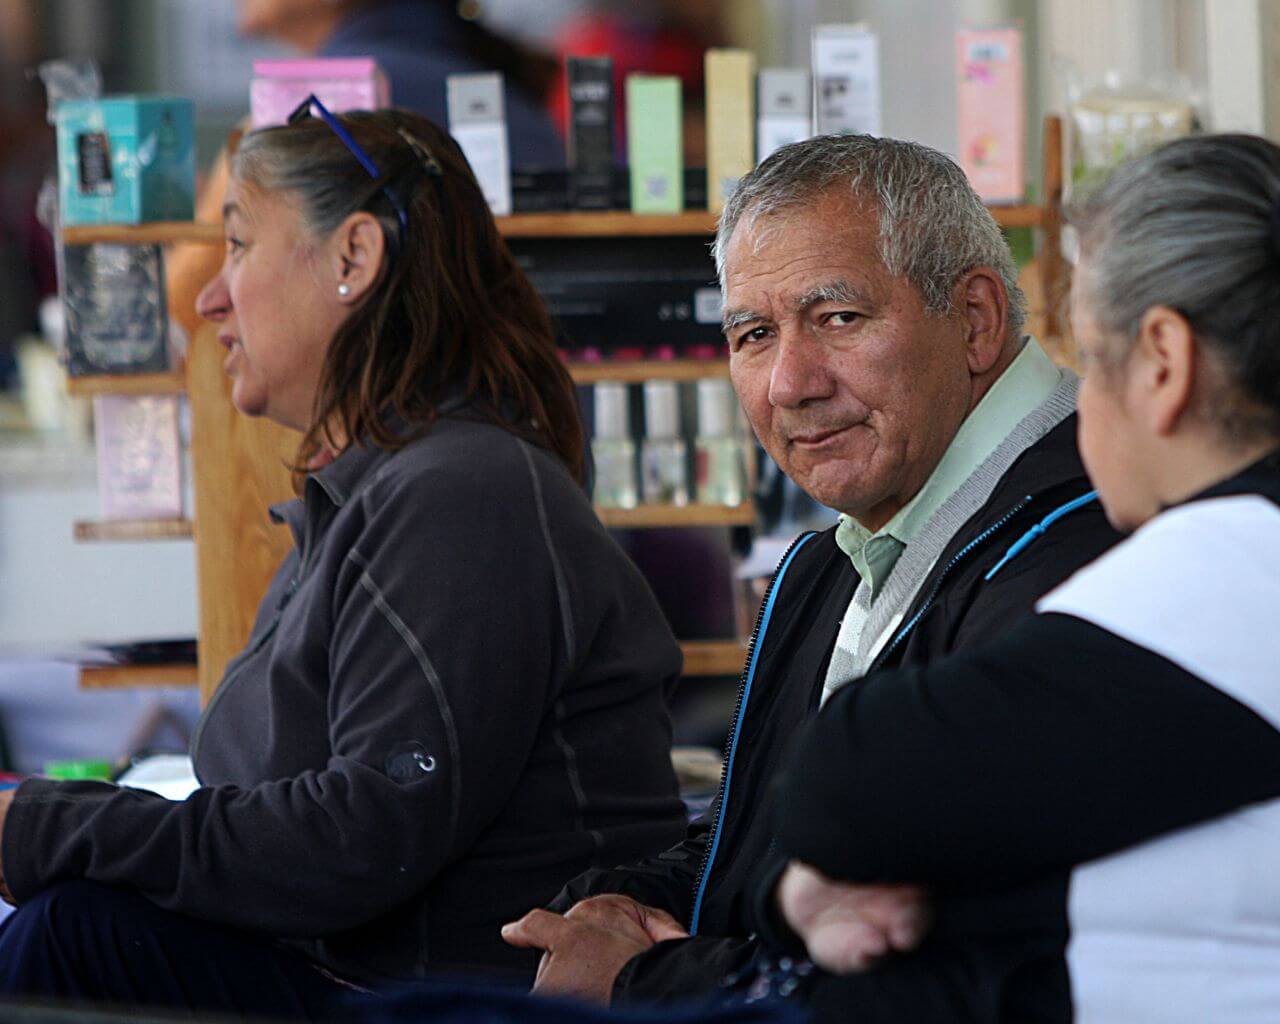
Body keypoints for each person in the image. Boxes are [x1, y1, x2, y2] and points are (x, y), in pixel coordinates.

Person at [0, 104, 686, 1018]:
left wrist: (47, 824)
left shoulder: (462, 494)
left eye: (239, 246)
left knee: (71, 933)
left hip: (455, 1000)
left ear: (353, 259)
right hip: (367, 975)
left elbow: (361, 839)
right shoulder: (384, 490)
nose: (209, 298)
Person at [502, 134, 1122, 1004]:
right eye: (754, 334)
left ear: (976, 319)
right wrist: (623, 909)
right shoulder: (825, 562)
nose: (791, 382)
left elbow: (950, 964)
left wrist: (646, 981)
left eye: (838, 318)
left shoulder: (1080, 549)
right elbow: (751, 849)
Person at [755, 133, 1280, 1023]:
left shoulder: (1238, 563)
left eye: (1091, 356)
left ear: (1162, 361)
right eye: (753, 333)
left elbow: (846, 776)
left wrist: (807, 879)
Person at [169, 0, 563, 343]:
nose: (215, 301)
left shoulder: (314, 110)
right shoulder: (480, 76)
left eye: (240, 245)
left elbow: (179, 314)